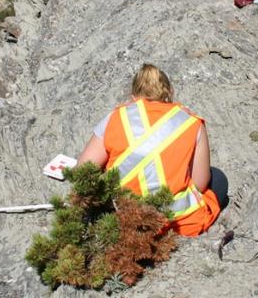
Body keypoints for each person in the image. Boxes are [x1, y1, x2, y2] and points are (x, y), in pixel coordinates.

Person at [77, 64, 223, 237]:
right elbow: (200, 182)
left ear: (133, 97)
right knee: (218, 178)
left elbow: (83, 171)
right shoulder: (191, 122)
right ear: (170, 92)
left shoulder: (117, 116)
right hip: (178, 222)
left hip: (124, 217)